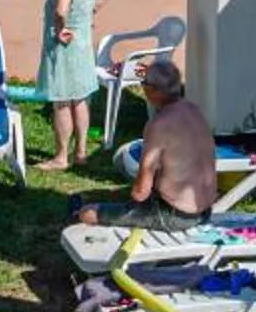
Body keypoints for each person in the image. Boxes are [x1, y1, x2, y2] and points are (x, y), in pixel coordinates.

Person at [72, 57, 215, 230]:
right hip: (205, 210)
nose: (142, 86)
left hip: (175, 216)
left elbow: (140, 193)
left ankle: (76, 214)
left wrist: (134, 201)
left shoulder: (160, 124)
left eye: (144, 83)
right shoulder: (193, 110)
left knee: (88, 213)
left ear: (153, 90)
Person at [34, 0, 110, 169]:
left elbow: (61, 11)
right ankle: (81, 152)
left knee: (62, 102)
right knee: (80, 99)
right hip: (83, 43)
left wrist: (60, 30)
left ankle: (60, 157)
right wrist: (90, 12)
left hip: (65, 49)